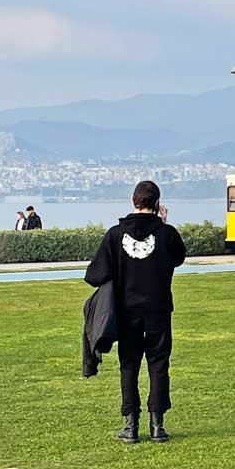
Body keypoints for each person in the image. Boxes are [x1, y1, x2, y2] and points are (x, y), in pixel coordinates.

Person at [84, 181, 186, 445]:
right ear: (157, 204)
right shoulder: (167, 234)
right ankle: (157, 426)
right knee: (159, 364)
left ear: (133, 201)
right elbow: (178, 258)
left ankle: (130, 426)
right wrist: (162, 223)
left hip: (126, 311)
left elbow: (95, 275)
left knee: (129, 365)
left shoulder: (115, 235)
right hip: (159, 310)